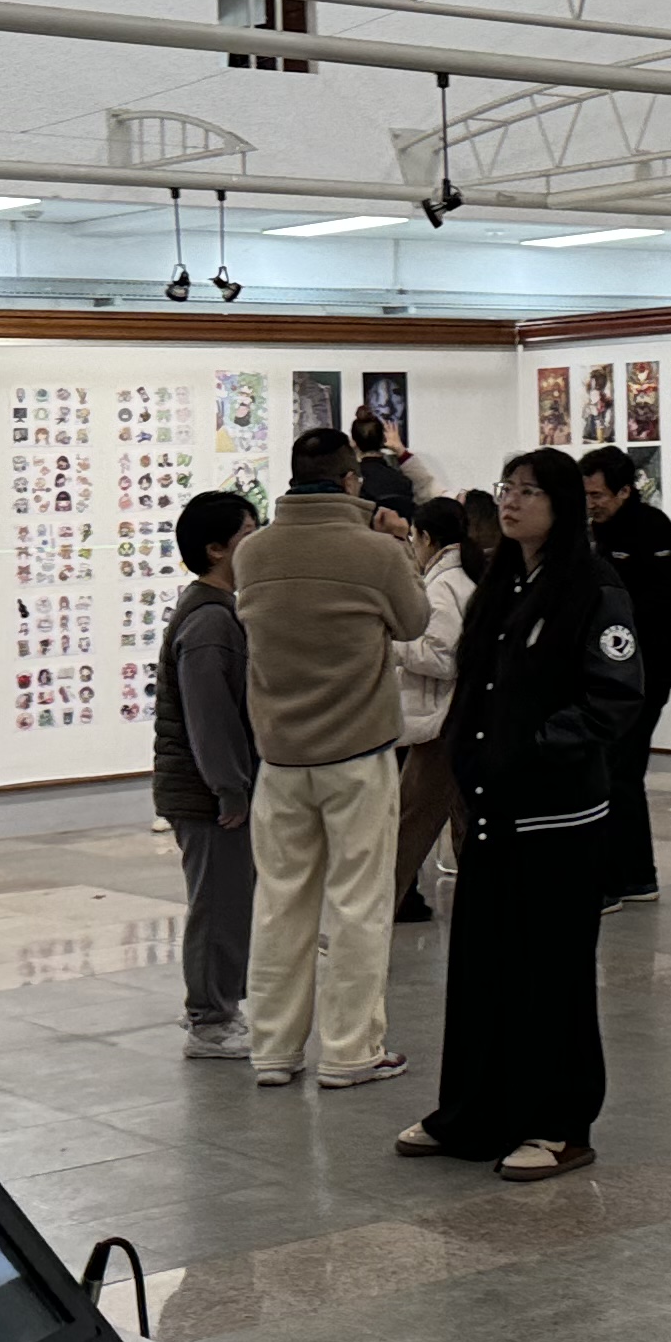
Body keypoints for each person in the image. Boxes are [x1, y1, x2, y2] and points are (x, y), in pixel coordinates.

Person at [401, 449, 644, 1179]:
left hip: (558, 818)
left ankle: (561, 1124)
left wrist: (531, 751)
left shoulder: (594, 589)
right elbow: (473, 682)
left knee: (552, 975)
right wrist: (472, 760)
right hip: (491, 813)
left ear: (562, 505)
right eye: (507, 488)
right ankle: (474, 1113)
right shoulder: (501, 584)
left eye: (529, 492)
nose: (511, 502)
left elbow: (612, 699)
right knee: (483, 969)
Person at [236, 425, 432, 1088]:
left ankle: (273, 1050)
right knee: (357, 904)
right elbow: (415, 623)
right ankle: (350, 1051)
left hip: (280, 755)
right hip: (359, 751)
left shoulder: (254, 552)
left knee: (279, 902)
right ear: (352, 480)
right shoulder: (375, 551)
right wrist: (399, 544)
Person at [155, 491, 264, 1062]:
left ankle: (219, 1007)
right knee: (218, 906)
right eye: (250, 532)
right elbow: (210, 718)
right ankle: (211, 1021)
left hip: (214, 789)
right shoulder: (210, 621)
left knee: (229, 902)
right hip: (208, 795)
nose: (261, 541)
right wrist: (230, 788)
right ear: (217, 548)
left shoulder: (220, 611)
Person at [580, 445, 671, 909]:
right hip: (602, 674)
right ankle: (636, 877)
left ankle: (617, 880)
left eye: (598, 495)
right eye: (585, 495)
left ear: (624, 491)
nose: (591, 504)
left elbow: (668, 594)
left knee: (618, 771)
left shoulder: (652, 528)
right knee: (618, 772)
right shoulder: (587, 533)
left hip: (645, 675)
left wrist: (609, 615)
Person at [390, 493, 479, 926]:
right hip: (459, 720)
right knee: (466, 822)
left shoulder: (444, 585)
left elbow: (443, 659)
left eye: (413, 538)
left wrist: (393, 645)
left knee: (408, 825)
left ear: (426, 538)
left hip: (440, 725)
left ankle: (373, 915)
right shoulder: (464, 578)